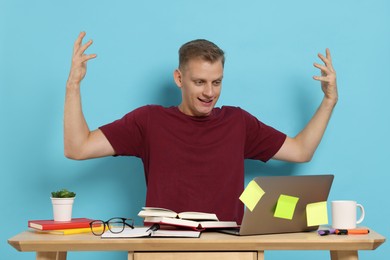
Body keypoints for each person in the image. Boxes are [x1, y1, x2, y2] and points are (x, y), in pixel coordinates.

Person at [64, 32, 338, 223]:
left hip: (229, 248)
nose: (210, 92)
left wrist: (329, 100)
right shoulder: (149, 121)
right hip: (164, 249)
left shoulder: (238, 122)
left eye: (216, 82)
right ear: (179, 78)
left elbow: (301, 151)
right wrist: (73, 85)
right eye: (200, 82)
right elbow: (78, 148)